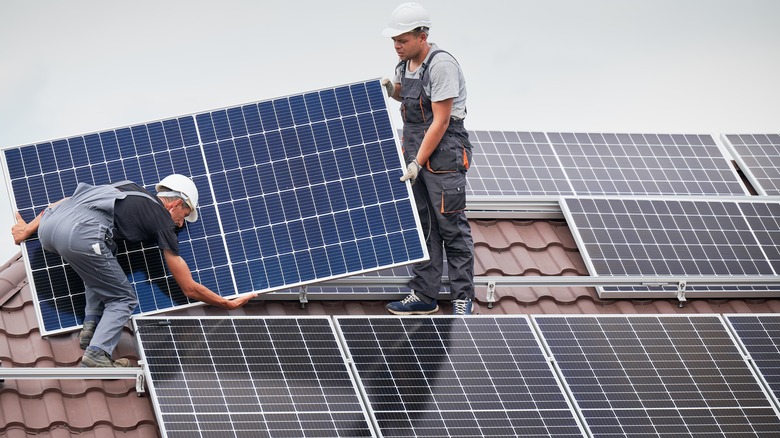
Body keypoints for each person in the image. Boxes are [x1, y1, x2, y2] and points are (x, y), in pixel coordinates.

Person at [11, 175, 256, 367]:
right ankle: (97, 354)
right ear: (177, 204)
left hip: (49, 229)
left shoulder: (127, 186)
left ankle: (91, 326)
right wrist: (226, 304)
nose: (182, 223)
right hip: (80, 235)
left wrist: (27, 230)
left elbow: (65, 201)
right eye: (185, 215)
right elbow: (188, 287)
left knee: (105, 255)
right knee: (124, 298)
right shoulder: (161, 220)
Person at [381, 3, 475, 316]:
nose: (397, 45)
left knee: (451, 226)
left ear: (422, 36)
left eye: (403, 39)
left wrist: (418, 162)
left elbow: (441, 121)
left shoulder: (441, 65)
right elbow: (406, 97)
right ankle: (424, 294)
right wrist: (392, 89)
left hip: (443, 154)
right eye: (394, 39)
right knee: (423, 226)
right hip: (414, 151)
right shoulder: (403, 63)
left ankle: (462, 296)